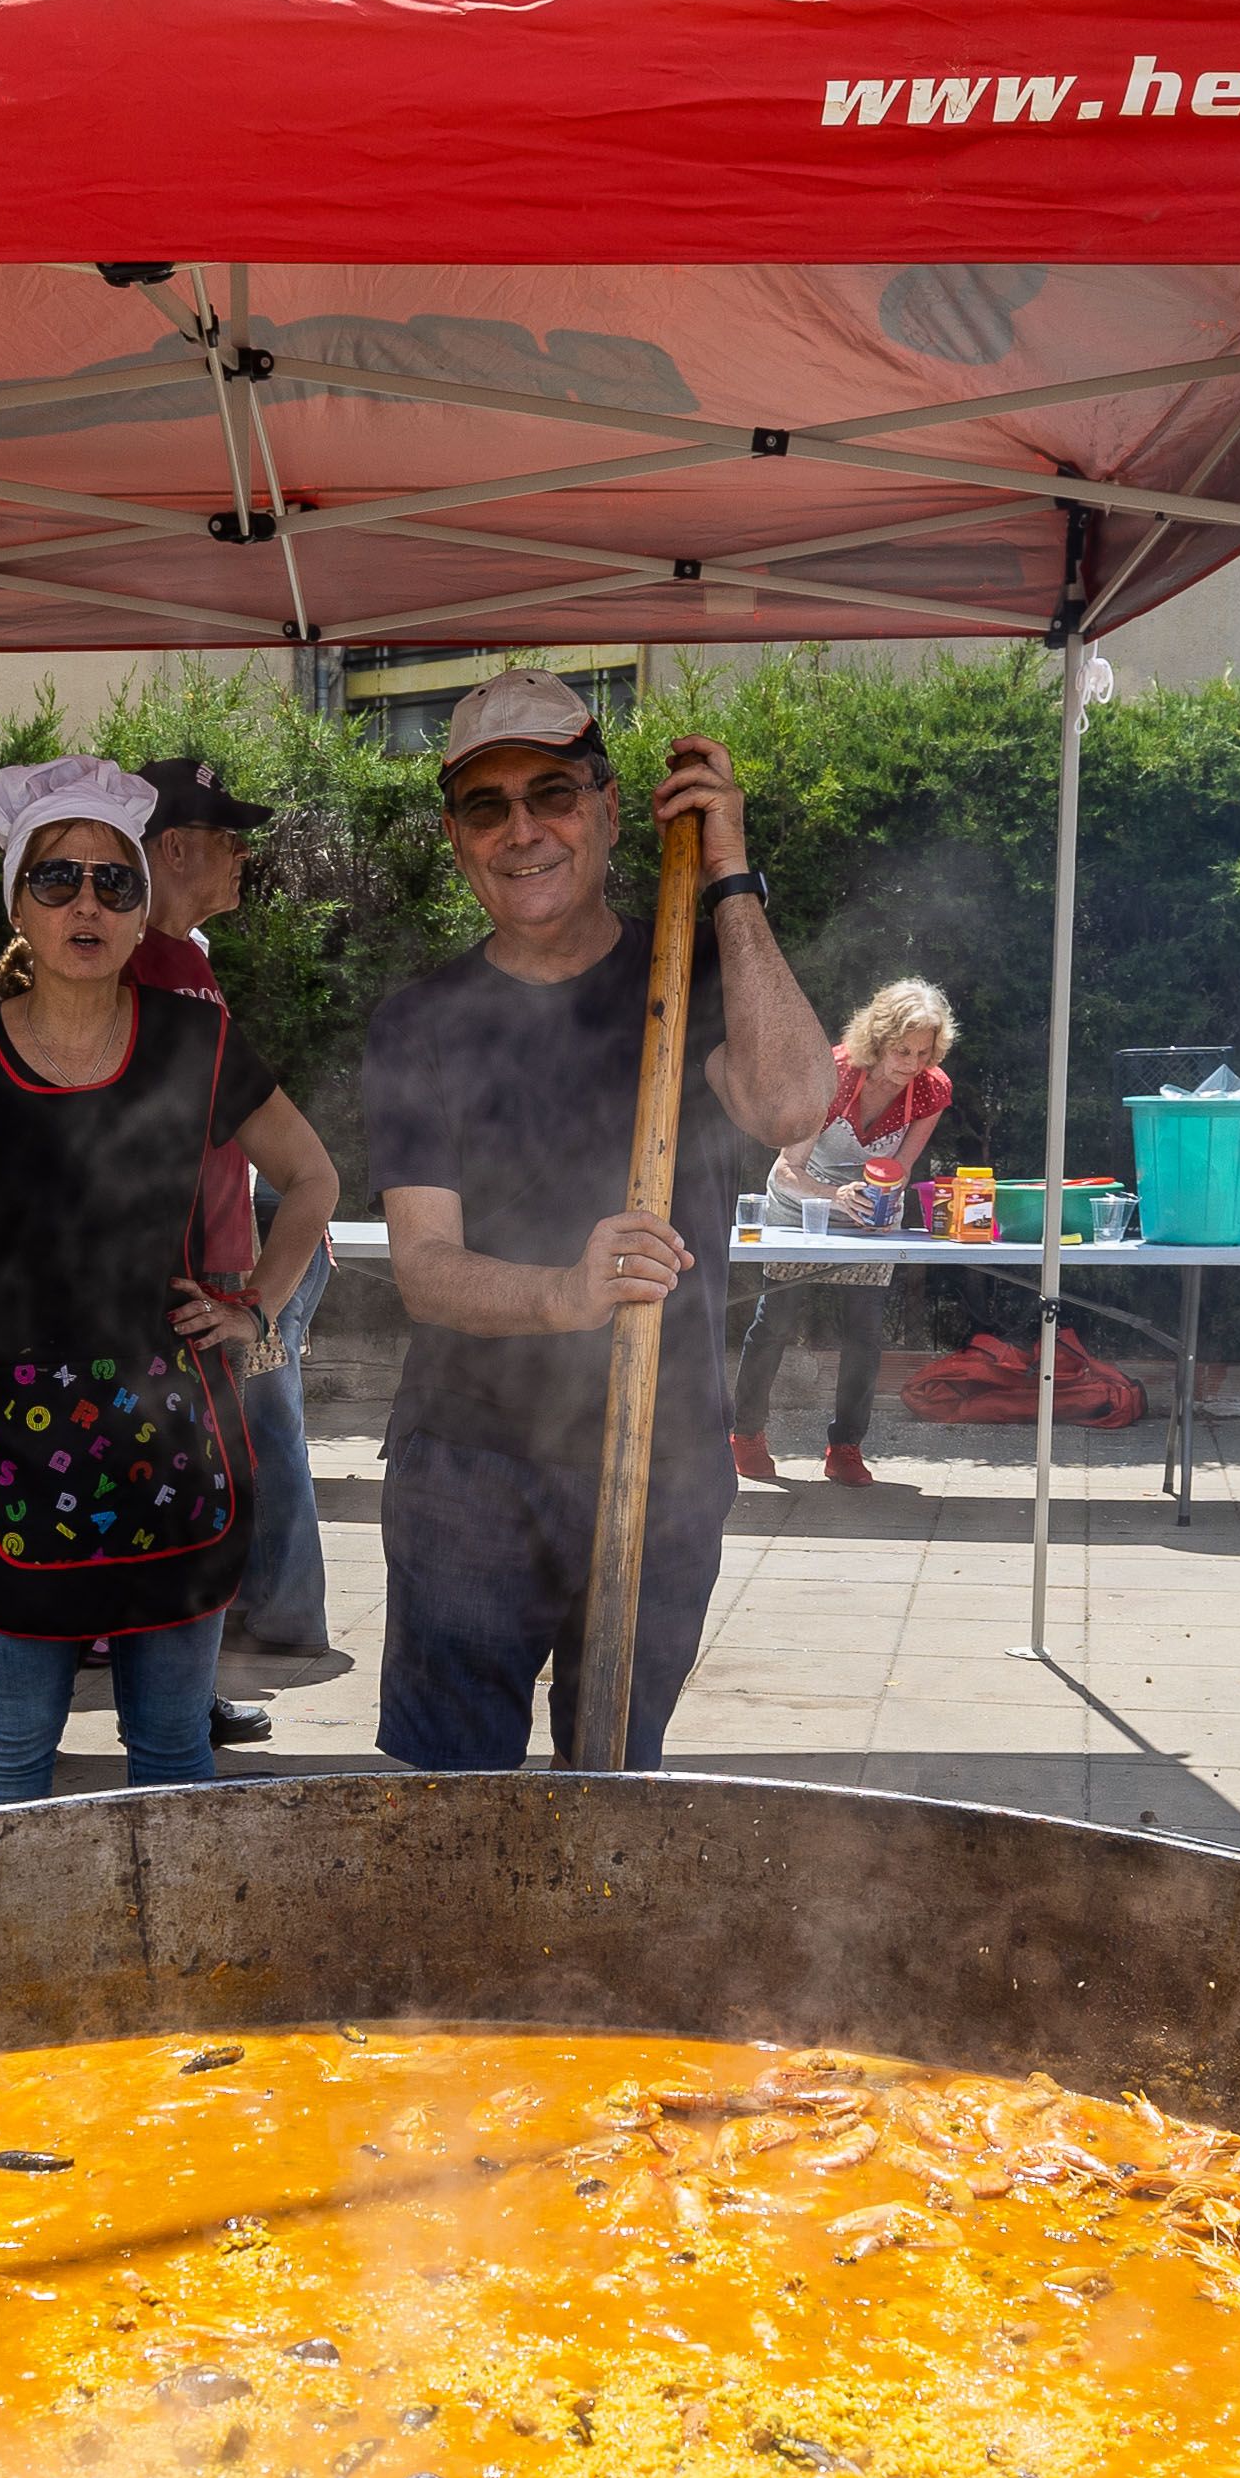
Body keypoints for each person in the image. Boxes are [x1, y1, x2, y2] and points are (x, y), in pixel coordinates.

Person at [367, 674, 836, 1770]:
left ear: (611, 810)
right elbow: (424, 1270)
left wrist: (728, 869)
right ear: (454, 838)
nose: (522, 828)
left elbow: (792, 1104)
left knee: (613, 1795)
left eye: (554, 793)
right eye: (487, 807)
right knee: (448, 1815)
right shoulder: (419, 1023)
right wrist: (563, 1294)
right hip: (465, 1468)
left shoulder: (693, 970)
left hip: (660, 1456)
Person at [0, 757, 342, 1804]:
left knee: (173, 1748)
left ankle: (169, 1969)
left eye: (112, 882)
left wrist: (254, 1307)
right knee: (7, 1747)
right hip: (1, 1450)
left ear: (141, 911)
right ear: (17, 901)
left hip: (175, 1440)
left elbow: (312, 1176)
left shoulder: (197, 1042)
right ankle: (10, 1969)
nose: (85, 903)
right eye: (56, 880)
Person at [127, 751, 333, 1703]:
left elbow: (288, 1156)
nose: (244, 856)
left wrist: (252, 1293)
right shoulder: (138, 965)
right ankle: (179, 1706)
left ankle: (190, 1698)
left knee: (208, 1497)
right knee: (182, 1507)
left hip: (207, 1284)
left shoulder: (181, 964)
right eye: (226, 836)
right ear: (173, 846)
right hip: (169, 1294)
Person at [733, 978, 956, 1488]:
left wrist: (879, 1202)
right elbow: (789, 1167)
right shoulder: (829, 1074)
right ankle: (745, 1436)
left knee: (865, 1332)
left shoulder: (931, 1089)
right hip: (800, 1202)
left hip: (870, 1213)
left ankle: (846, 1448)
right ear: (878, 1039)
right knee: (776, 1322)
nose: (912, 1064)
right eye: (902, 1050)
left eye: (924, 1052)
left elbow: (900, 1167)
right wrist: (835, 1196)